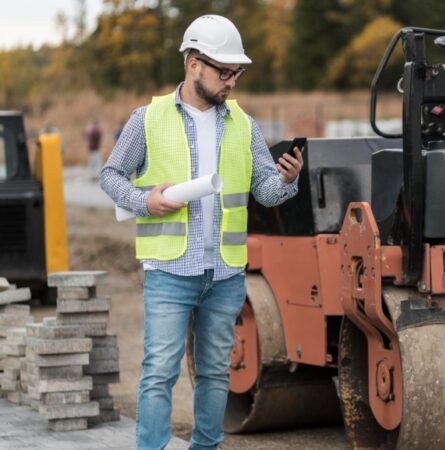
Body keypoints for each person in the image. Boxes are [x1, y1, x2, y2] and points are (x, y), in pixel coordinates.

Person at [99, 15, 304, 450]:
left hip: (225, 273)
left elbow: (264, 193)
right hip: (170, 270)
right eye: (223, 71)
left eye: (237, 73)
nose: (231, 81)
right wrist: (144, 200)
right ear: (193, 64)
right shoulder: (147, 119)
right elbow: (111, 176)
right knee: (160, 372)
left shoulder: (244, 125)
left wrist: (286, 182)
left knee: (215, 372)